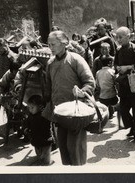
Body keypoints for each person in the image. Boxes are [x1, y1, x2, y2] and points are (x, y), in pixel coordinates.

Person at [45, 30, 95, 165]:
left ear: (64, 43)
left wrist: (82, 91)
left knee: (75, 148)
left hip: (75, 113)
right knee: (63, 148)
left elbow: (90, 82)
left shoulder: (75, 59)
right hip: (59, 113)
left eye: (53, 44)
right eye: (49, 45)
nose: (50, 48)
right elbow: (48, 87)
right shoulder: (50, 63)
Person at [113, 26, 135, 143]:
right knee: (123, 109)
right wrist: (117, 68)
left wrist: (128, 67)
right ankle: (133, 126)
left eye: (121, 37)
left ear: (128, 37)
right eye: (117, 37)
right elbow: (115, 64)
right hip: (124, 85)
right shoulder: (118, 50)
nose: (118, 40)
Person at [26, 95, 54, 166]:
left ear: (40, 107)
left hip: (45, 139)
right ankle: (41, 159)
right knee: (39, 153)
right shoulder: (31, 115)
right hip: (35, 139)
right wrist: (26, 127)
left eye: (32, 107)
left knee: (46, 155)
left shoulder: (44, 115)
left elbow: (49, 121)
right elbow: (27, 122)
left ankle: (47, 162)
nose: (30, 110)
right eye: (29, 108)